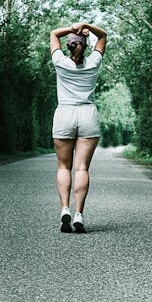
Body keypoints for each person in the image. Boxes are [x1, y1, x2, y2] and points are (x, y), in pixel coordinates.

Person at [49, 20, 107, 233]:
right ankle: (79, 214)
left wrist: (71, 29)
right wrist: (87, 26)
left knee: (64, 167)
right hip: (87, 114)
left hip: (64, 114)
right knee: (81, 168)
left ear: (70, 45)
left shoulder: (60, 62)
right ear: (84, 45)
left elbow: (54, 33)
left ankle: (64, 208)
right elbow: (103, 37)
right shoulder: (92, 63)